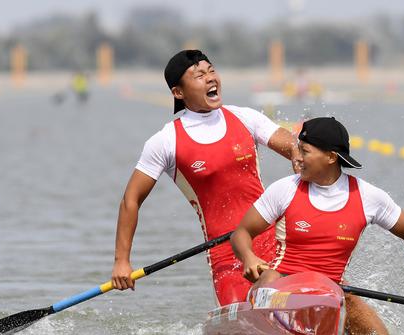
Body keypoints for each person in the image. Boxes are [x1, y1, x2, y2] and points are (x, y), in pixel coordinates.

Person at [230, 117, 404, 335]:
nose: (296, 157)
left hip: (331, 290)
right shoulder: (284, 190)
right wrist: (248, 257)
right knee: (270, 276)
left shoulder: (368, 197)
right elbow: (241, 233)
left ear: (331, 157)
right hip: (281, 281)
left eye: (304, 151)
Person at [111, 49, 297, 306]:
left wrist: (301, 156)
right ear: (178, 92)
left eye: (211, 71)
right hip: (225, 254)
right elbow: (131, 200)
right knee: (243, 326)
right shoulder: (166, 141)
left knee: (280, 299)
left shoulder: (245, 117)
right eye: (199, 76)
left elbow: (295, 149)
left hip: (275, 242)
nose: (210, 78)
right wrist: (122, 261)